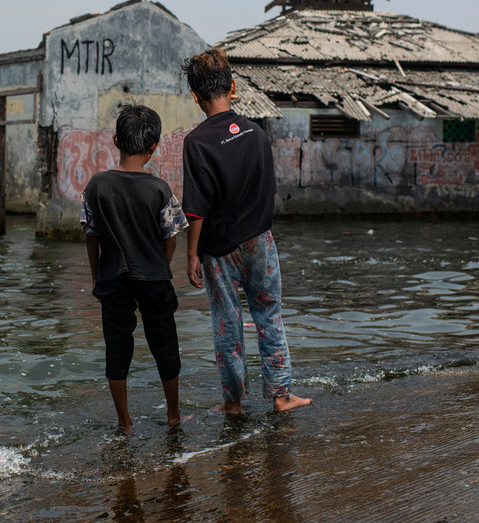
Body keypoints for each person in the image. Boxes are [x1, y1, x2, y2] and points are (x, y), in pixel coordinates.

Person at [180, 47, 311, 414]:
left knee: (227, 322)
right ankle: (282, 396)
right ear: (233, 87)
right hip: (259, 240)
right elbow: (269, 192)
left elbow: (196, 207)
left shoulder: (196, 142)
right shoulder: (255, 133)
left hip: (218, 249)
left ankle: (233, 403)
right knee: (269, 314)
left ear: (195, 96)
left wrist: (191, 254)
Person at [81, 102, 190, 431]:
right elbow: (171, 237)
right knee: (164, 344)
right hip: (154, 277)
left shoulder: (96, 186)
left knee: (117, 347)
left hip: (113, 278)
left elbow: (92, 235)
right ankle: (173, 415)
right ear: (155, 145)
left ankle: (124, 421)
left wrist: (95, 276)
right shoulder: (159, 189)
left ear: (116, 140)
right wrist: (160, 264)